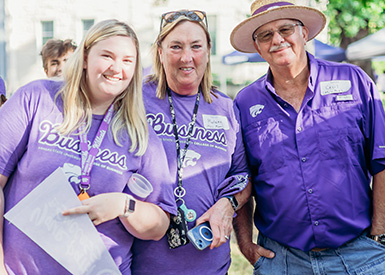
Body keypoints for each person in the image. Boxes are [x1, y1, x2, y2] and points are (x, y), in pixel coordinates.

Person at [230, 0, 385, 274]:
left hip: (358, 255)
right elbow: (240, 177)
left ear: (304, 33)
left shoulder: (354, 81)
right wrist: (246, 243)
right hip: (281, 260)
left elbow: (384, 161)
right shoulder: (245, 103)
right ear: (258, 47)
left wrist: (379, 237)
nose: (278, 40)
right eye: (265, 35)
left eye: (286, 29)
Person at [0, 19, 177, 274]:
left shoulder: (141, 135)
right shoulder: (37, 98)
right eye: (107, 55)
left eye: (128, 60)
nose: (117, 68)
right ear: (84, 57)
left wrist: (124, 205)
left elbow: (159, 225)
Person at [131, 10, 250, 275]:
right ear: (160, 52)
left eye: (196, 46)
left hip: (211, 264)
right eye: (176, 46)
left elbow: (243, 174)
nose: (187, 57)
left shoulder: (225, 109)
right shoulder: (133, 99)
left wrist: (228, 204)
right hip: (144, 264)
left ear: (208, 51)